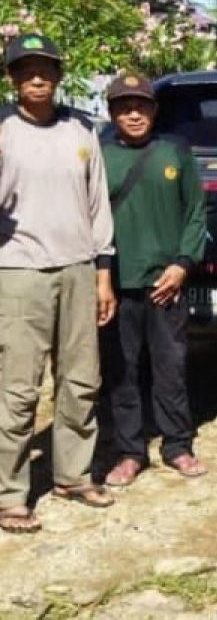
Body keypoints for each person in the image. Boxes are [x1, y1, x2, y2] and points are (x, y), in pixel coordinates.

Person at [0, 34, 117, 533]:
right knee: (19, 388)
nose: (37, 77)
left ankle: (73, 474)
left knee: (81, 380)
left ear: (59, 74)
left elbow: (98, 204)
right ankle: (11, 494)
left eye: (45, 68)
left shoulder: (81, 128)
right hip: (19, 270)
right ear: (13, 78)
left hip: (78, 268)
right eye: (26, 70)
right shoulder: (3, 128)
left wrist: (102, 274)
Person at [100, 74, 208, 487]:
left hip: (167, 283)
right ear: (112, 112)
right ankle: (130, 452)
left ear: (154, 109)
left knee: (171, 367)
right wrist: (100, 278)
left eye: (142, 105)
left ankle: (178, 445)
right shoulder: (99, 155)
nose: (134, 113)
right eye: (124, 106)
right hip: (116, 283)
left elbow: (196, 211)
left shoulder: (174, 151)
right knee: (122, 371)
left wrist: (183, 264)